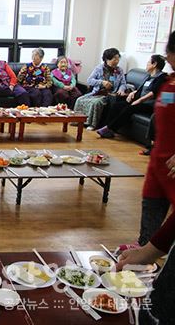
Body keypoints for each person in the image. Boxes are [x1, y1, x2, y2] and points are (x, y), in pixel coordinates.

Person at [116, 30, 175, 325]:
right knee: (148, 224)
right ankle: (140, 285)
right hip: (158, 167)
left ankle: (155, 308)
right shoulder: (168, 82)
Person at [97, 55, 167, 139]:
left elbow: (153, 93)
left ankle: (110, 129)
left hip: (149, 105)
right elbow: (142, 89)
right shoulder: (149, 76)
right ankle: (107, 127)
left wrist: (139, 100)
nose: (147, 64)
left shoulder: (162, 77)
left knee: (129, 108)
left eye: (148, 62)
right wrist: (133, 92)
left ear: (154, 64)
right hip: (140, 101)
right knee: (117, 105)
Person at [73, 48, 126, 130]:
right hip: (97, 92)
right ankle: (78, 120)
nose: (117, 61)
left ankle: (92, 124)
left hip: (110, 95)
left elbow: (123, 83)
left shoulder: (119, 70)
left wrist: (121, 90)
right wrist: (102, 82)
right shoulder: (99, 68)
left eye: (118, 58)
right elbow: (89, 80)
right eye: (114, 59)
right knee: (80, 99)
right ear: (107, 59)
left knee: (96, 103)